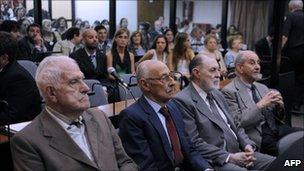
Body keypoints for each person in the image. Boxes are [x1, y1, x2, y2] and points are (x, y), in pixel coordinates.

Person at [10, 56, 138, 171]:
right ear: (51, 93)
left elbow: (125, 162)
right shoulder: (27, 141)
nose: (86, 88)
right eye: (73, 82)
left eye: (82, 79)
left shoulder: (100, 117)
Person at [172, 54, 275, 170]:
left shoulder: (217, 93)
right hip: (216, 160)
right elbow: (194, 143)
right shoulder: (183, 100)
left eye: (218, 69)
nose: (218, 74)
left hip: (240, 152)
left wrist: (247, 145)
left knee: (282, 163)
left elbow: (235, 125)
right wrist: (229, 157)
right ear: (196, 73)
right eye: (213, 70)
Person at [119, 60, 212, 171]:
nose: (172, 82)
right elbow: (146, 165)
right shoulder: (131, 117)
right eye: (164, 78)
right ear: (145, 84)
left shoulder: (173, 107)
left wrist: (206, 169)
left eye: (171, 75)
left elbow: (189, 148)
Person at [222, 51, 303, 156]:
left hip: (276, 129)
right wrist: (261, 104)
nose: (257, 67)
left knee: (301, 136)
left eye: (258, 63)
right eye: (252, 63)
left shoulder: (262, 87)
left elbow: (279, 118)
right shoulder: (229, 91)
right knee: (293, 153)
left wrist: (280, 106)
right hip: (259, 135)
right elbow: (238, 122)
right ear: (240, 68)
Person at [0, 31, 41, 125]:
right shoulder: (4, 68)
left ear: (4, 58)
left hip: (21, 130)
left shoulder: (18, 78)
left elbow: (11, 116)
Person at [282, 0, 304, 112]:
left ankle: (287, 103)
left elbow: (284, 36)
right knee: (301, 79)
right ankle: (297, 104)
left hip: (293, 53)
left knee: (289, 77)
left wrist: (278, 51)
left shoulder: (290, 16)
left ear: (291, 7)